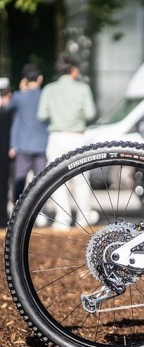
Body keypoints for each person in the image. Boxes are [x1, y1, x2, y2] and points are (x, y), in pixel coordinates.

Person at [38, 56, 97, 229]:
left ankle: (62, 218)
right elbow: (90, 113)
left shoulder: (49, 89)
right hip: (76, 137)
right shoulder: (83, 88)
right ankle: (83, 216)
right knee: (81, 179)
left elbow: (42, 114)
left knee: (57, 179)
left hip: (56, 137)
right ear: (74, 69)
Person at [8, 64, 48, 201]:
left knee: (19, 180)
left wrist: (21, 90)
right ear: (40, 79)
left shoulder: (19, 97)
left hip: (23, 146)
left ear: (25, 80)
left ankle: (17, 209)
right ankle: (41, 209)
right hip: (42, 145)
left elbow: (6, 108)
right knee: (42, 182)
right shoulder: (45, 96)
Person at [0, 86, 13, 227]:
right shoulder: (9, 113)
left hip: (5, 154)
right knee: (4, 186)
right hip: (5, 154)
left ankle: (3, 216)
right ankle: (2, 217)